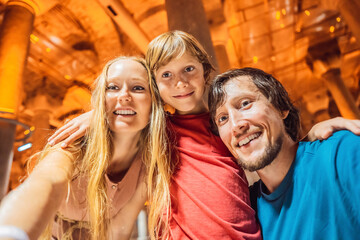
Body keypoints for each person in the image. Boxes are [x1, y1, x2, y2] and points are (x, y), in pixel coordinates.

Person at [46, 31, 360, 240]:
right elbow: (128, 115)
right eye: (166, 76)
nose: (180, 83)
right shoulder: (159, 129)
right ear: (156, 86)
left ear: (204, 69)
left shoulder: (222, 126)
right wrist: (101, 113)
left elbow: (276, 150)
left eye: (188, 70)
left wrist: (316, 130)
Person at [0, 56, 170, 240]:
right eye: (112, 87)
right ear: (100, 100)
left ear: (154, 103)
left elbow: (121, 226)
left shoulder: (149, 160)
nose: (124, 96)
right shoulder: (75, 143)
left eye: (138, 88)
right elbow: (47, 182)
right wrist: (11, 232)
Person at [209, 67, 360, 240]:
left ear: (281, 108)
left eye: (245, 103)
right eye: (223, 118)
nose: (236, 125)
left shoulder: (343, 153)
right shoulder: (244, 209)